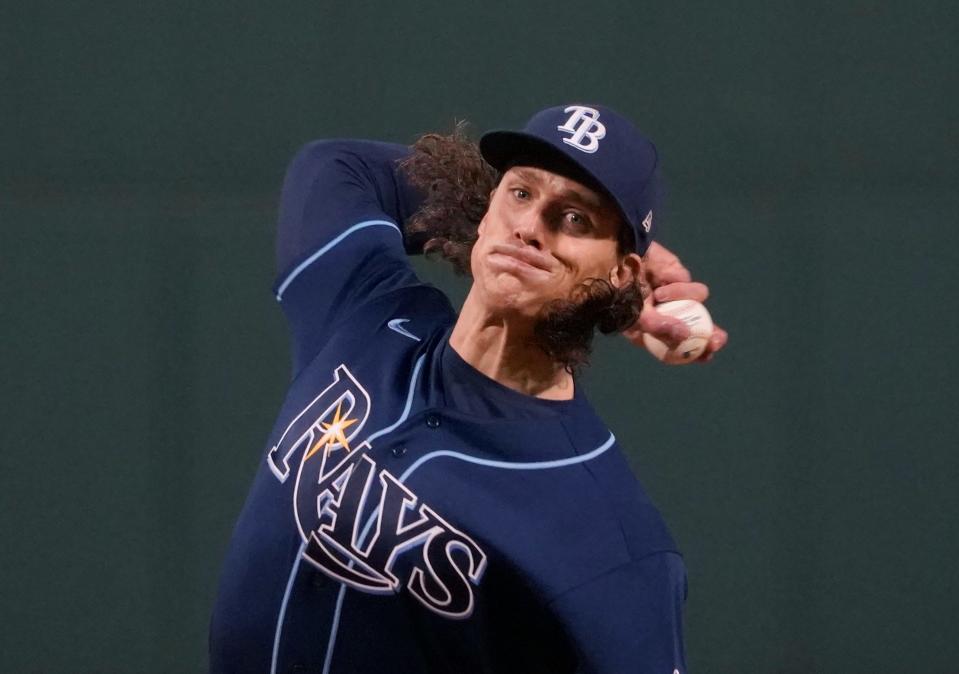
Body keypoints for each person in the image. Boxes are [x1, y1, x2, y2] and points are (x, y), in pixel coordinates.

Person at [210, 104, 727, 674]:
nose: (530, 227)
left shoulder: (611, 538)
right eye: (520, 193)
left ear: (620, 273)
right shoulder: (362, 312)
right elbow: (335, 167)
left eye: (576, 219)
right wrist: (496, 202)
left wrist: (610, 288)